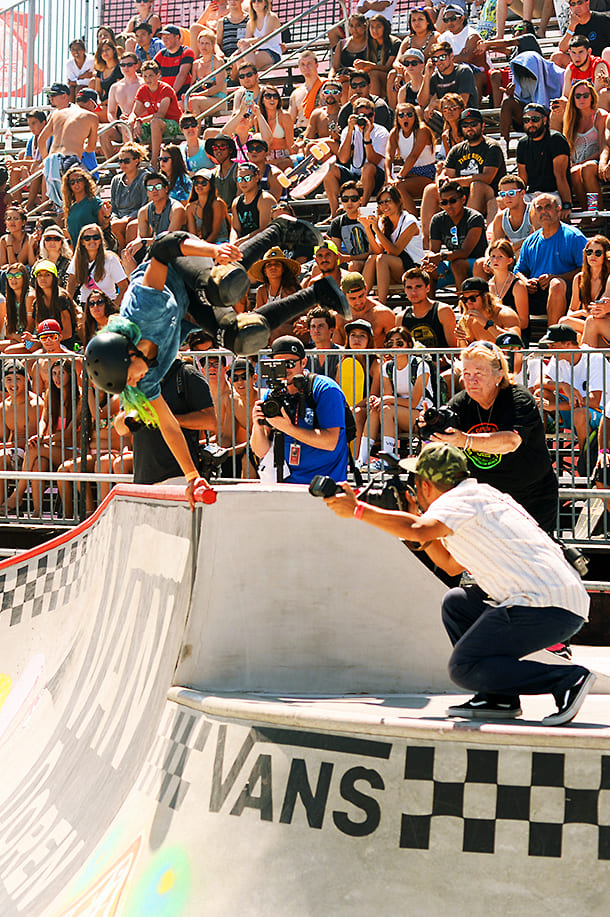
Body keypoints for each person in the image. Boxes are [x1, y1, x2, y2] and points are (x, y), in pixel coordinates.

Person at [325, 442, 593, 726]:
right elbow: (450, 564)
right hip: (556, 600)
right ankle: (498, 696)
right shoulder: (481, 495)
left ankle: (567, 679)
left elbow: (419, 530)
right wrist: (413, 521)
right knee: (457, 603)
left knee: (464, 667)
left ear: (425, 485)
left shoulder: (456, 501)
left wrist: (358, 510)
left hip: (544, 606)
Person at [85, 219, 349, 501]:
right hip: (186, 307)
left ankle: (279, 229)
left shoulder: (142, 306)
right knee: (242, 337)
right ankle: (319, 292)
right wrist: (193, 478)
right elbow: (169, 425)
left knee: (222, 288)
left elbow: (163, 248)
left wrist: (212, 251)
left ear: (129, 352)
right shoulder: (144, 379)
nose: (136, 382)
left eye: (130, 377)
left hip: (178, 261)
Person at [434, 340, 559, 533]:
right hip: (485, 499)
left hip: (531, 496)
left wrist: (464, 440)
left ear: (499, 375)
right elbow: (439, 441)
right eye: (466, 374)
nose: (471, 380)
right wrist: (432, 429)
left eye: (478, 373)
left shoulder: (518, 398)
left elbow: (511, 442)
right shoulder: (459, 404)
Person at [251, 334, 350, 484]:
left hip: (325, 484)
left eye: (290, 363)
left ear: (303, 362)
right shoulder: (272, 395)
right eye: (279, 364)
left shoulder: (325, 389)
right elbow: (260, 451)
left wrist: (288, 429)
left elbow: (330, 442)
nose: (285, 369)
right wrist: (257, 427)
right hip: (285, 483)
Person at [114, 356, 216, 484]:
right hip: (143, 479)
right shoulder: (137, 378)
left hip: (180, 477)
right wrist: (135, 413)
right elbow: (120, 429)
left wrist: (165, 417)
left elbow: (210, 420)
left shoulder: (186, 373)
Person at [8, 358, 82, 515]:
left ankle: (17, 495)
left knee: (34, 449)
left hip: (73, 450)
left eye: (61, 373)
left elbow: (69, 432)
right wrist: (40, 434)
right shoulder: (50, 394)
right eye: (54, 373)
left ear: (70, 375)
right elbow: (44, 419)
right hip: (54, 448)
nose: (56, 378)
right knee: (38, 464)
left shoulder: (80, 397)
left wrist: (44, 440)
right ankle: (37, 511)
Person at [423, 108, 506, 233]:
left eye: (473, 124)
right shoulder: (457, 150)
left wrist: (454, 181)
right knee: (430, 189)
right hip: (460, 195)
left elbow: (487, 178)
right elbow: (449, 175)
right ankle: (427, 241)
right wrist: (444, 180)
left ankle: (466, 233)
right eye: (465, 125)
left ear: (482, 126)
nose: (469, 128)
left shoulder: (491, 147)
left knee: (476, 186)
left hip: (488, 195)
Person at [535, 322, 609, 454]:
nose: (549, 349)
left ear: (568, 344)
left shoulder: (595, 358)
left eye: (553, 345)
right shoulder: (558, 356)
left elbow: (594, 401)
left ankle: (585, 463)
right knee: (541, 393)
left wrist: (554, 406)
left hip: (601, 413)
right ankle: (539, 453)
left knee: (579, 413)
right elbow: (539, 383)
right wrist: (563, 385)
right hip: (574, 410)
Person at [515, 193, 587, 326]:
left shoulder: (574, 237)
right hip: (536, 293)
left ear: (558, 210)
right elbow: (518, 270)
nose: (543, 211)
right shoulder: (530, 241)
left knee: (556, 284)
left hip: (567, 294)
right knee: (510, 284)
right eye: (539, 208)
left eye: (548, 207)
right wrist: (526, 282)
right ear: (534, 213)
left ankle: (553, 336)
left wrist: (556, 277)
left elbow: (586, 270)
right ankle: (516, 335)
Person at [324, 97, 389, 216]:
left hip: (375, 177)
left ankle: (360, 209)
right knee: (329, 168)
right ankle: (334, 214)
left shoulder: (381, 132)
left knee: (368, 167)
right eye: (361, 116)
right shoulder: (348, 131)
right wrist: (350, 131)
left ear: (374, 116)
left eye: (369, 116)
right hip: (355, 176)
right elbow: (343, 158)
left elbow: (374, 161)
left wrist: (367, 138)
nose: (366, 119)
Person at [361, 184, 425, 305]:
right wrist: (368, 229)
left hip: (414, 268)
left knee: (382, 259)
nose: (384, 205)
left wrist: (376, 230)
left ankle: (381, 304)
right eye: (381, 202)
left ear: (398, 201)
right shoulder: (383, 221)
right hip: (395, 267)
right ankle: (361, 300)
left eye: (388, 201)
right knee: (371, 259)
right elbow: (377, 251)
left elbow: (395, 251)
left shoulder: (410, 221)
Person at [37, 83, 98, 208]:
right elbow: (91, 148)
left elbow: (41, 140)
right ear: (92, 103)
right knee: (85, 199)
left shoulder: (58, 114)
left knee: (62, 206)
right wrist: (81, 147)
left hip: (51, 162)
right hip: (70, 159)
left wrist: (45, 159)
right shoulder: (92, 117)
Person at [422, 181, 487, 291]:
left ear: (463, 199)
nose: (449, 205)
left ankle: (463, 303)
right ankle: (429, 306)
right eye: (444, 202)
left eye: (452, 201)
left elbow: (465, 252)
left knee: (458, 264)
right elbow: (434, 250)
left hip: (476, 264)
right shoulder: (437, 220)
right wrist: (429, 259)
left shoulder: (475, 218)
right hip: (451, 263)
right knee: (425, 270)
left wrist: (440, 256)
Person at [516, 103, 572, 218]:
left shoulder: (556, 139)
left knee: (541, 208)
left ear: (545, 120)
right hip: (531, 194)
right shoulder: (522, 143)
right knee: (503, 205)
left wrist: (567, 204)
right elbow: (522, 179)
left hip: (553, 193)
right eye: (526, 120)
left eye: (535, 119)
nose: (530, 123)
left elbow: (560, 175)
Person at [123, 171, 186, 273]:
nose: (154, 190)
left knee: (158, 253)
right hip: (156, 245)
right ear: (147, 192)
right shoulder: (144, 211)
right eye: (150, 188)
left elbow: (169, 239)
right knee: (126, 254)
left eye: (158, 186)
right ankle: (137, 284)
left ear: (166, 189)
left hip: (175, 247)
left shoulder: (176, 209)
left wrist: (144, 242)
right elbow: (141, 237)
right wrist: (135, 243)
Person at [0, 361, 43, 505]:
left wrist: (3, 446)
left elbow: (32, 441)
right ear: (3, 382)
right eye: (8, 380)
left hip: (31, 452)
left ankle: (10, 502)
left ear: (26, 380)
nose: (13, 384)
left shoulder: (35, 404)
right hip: (12, 450)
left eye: (17, 379)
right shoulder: (3, 406)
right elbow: (3, 437)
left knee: (2, 456)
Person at [562, 80, 607, 211]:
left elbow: (603, 147)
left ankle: (596, 210)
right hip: (577, 165)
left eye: (585, 95)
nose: (582, 99)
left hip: (597, 161)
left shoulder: (600, 116)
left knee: (586, 169)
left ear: (592, 97)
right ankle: (586, 211)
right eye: (578, 96)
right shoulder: (571, 119)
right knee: (574, 172)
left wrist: (582, 163)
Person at [129, 60, 182, 169]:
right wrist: (132, 121)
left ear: (158, 75)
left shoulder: (165, 89)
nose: (148, 79)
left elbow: (160, 114)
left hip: (174, 123)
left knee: (155, 122)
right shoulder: (142, 90)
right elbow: (135, 112)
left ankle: (154, 162)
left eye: (151, 76)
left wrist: (140, 121)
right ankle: (130, 161)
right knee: (127, 126)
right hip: (155, 124)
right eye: (145, 76)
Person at [385, 102, 436, 216]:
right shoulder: (395, 133)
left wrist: (399, 176)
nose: (405, 118)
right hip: (409, 173)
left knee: (399, 186)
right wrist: (388, 177)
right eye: (401, 115)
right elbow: (389, 156)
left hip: (427, 173)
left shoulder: (422, 131)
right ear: (397, 118)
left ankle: (413, 219)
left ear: (415, 116)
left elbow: (413, 156)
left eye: (409, 114)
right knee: (387, 188)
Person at [67, 224, 128, 309]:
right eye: (87, 238)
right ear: (82, 242)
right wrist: (75, 309)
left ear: (100, 240)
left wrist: (113, 308)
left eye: (96, 237)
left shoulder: (110, 259)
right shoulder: (77, 259)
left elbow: (124, 286)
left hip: (107, 305)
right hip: (86, 306)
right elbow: (71, 285)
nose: (92, 240)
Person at [418, 42, 478, 127]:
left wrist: (435, 104)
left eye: (442, 57)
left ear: (451, 56)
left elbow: (462, 102)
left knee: (451, 114)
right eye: (435, 59)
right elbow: (422, 102)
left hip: (465, 117)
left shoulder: (463, 71)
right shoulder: (435, 76)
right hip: (446, 118)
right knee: (419, 111)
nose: (439, 62)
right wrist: (427, 76)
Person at [480, 239, 529, 338]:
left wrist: (500, 328)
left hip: (515, 337)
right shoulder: (487, 286)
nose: (495, 260)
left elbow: (524, 322)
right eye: (493, 256)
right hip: (492, 335)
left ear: (510, 260)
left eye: (500, 257)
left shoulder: (518, 285)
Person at [399, 267, 457, 348]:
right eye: (409, 287)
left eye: (418, 287)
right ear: (404, 290)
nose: (413, 292)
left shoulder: (443, 311)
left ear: (428, 288)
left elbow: (454, 349)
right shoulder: (401, 317)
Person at [565, 234, 610, 339]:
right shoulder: (579, 279)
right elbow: (571, 311)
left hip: (604, 324)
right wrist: (583, 312)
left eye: (598, 253)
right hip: (589, 322)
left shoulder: (608, 279)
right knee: (564, 321)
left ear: (606, 255)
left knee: (589, 325)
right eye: (589, 252)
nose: (592, 256)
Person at [454, 277, 521, 346]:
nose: (468, 303)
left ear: (486, 297)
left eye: (472, 298)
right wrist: (461, 339)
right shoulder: (468, 320)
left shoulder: (506, 314)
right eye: (464, 299)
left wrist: (487, 324)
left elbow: (514, 342)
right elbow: (465, 352)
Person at [101, 51, 144, 158]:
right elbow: (111, 112)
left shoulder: (143, 84)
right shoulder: (115, 87)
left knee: (127, 126)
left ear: (136, 66)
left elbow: (149, 107)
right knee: (103, 132)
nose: (126, 67)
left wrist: (136, 121)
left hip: (140, 124)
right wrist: (117, 124)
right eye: (122, 65)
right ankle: (112, 170)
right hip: (122, 125)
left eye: (129, 64)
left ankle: (128, 163)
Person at [109, 142, 151, 249]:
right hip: (120, 219)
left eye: (126, 161)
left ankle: (125, 256)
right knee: (114, 225)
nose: (123, 164)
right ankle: (124, 256)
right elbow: (113, 206)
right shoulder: (115, 180)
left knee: (131, 227)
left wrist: (131, 217)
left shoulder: (145, 178)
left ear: (136, 161)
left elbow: (146, 204)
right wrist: (114, 217)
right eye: (120, 161)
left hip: (139, 217)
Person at [340, 271, 395, 346]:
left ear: (366, 288)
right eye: (352, 298)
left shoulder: (383, 314)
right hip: (350, 358)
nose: (358, 302)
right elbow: (336, 350)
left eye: (361, 296)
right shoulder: (339, 316)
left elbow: (395, 347)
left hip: (378, 357)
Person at [61, 166, 111, 249]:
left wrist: (107, 216)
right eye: (72, 182)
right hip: (77, 252)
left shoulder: (94, 201)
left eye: (79, 180)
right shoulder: (71, 207)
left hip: (93, 249)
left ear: (85, 181)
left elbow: (103, 228)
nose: (76, 183)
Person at [328, 181, 370, 274]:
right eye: (345, 199)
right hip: (348, 261)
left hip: (370, 261)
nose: (349, 202)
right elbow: (336, 250)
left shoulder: (369, 219)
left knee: (354, 265)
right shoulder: (337, 222)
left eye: (354, 199)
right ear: (341, 201)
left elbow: (373, 252)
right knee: (317, 268)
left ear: (361, 200)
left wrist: (349, 258)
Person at [487, 174, 533, 257]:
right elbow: (494, 244)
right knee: (480, 264)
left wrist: (508, 249)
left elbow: (534, 239)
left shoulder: (533, 212)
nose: (507, 197)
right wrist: (488, 258)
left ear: (522, 193)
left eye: (511, 193)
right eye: (503, 194)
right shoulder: (500, 218)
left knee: (521, 254)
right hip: (511, 255)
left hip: (535, 254)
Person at [188, 29, 229, 117]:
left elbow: (219, 86)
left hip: (219, 99)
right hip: (203, 98)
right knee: (181, 104)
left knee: (194, 102)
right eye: (202, 43)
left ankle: (196, 130)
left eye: (207, 43)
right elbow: (192, 85)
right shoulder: (196, 64)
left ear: (212, 45)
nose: (204, 46)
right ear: (198, 45)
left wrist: (200, 94)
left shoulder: (218, 62)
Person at [253, 84, 294, 170]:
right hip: (264, 158)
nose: (272, 99)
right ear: (262, 100)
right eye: (268, 96)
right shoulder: (258, 118)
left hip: (282, 157)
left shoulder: (284, 116)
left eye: (275, 96)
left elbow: (290, 143)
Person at [230, 161, 275, 242]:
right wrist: (233, 243)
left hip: (263, 244)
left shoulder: (265, 200)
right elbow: (235, 229)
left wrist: (243, 241)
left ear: (257, 178)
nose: (243, 182)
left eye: (247, 178)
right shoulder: (236, 202)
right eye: (239, 179)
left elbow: (265, 230)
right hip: (244, 244)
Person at [186, 169, 229, 243]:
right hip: (203, 243)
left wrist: (203, 247)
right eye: (196, 182)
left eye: (204, 183)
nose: (199, 185)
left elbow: (215, 233)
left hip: (221, 242)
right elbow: (193, 235)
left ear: (211, 186)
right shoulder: (190, 207)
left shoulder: (217, 204)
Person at [237, 0, 283, 69]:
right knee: (238, 61)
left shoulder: (271, 17)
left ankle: (251, 74)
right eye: (253, 1)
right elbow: (246, 42)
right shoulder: (250, 22)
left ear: (265, 3)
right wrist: (235, 53)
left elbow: (266, 38)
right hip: (258, 51)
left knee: (244, 65)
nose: (256, 3)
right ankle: (250, 75)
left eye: (259, 0)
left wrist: (248, 41)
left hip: (273, 52)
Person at [154, 25, 195, 100]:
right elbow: (151, 71)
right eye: (163, 37)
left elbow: (182, 74)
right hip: (165, 96)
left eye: (167, 37)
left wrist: (171, 94)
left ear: (177, 37)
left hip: (181, 96)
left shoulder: (186, 52)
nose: (164, 40)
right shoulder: (161, 54)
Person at [305, 306, 343, 379]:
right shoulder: (307, 357)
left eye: (320, 326)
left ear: (331, 330)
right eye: (313, 326)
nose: (316, 330)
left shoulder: (343, 354)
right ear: (309, 331)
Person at [289, 50, 323, 130]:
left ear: (317, 65)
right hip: (299, 131)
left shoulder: (325, 86)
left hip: (317, 132)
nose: (306, 67)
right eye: (302, 64)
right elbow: (290, 119)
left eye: (309, 64)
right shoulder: (296, 93)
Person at [243, 136, 283, 201]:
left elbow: (273, 201)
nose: (254, 151)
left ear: (267, 154)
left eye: (258, 149)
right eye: (251, 148)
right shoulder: (242, 173)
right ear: (247, 153)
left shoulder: (274, 174)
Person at [205, 134, 238, 211]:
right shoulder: (213, 173)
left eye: (222, 147)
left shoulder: (238, 170)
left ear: (230, 150)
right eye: (215, 147)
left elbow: (240, 197)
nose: (218, 150)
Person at [92, 40, 123, 121]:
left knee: (90, 116)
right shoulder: (100, 70)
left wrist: (106, 102)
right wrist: (99, 102)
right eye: (102, 50)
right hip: (103, 104)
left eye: (107, 49)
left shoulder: (119, 68)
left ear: (113, 50)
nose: (105, 52)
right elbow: (98, 91)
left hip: (117, 105)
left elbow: (120, 91)